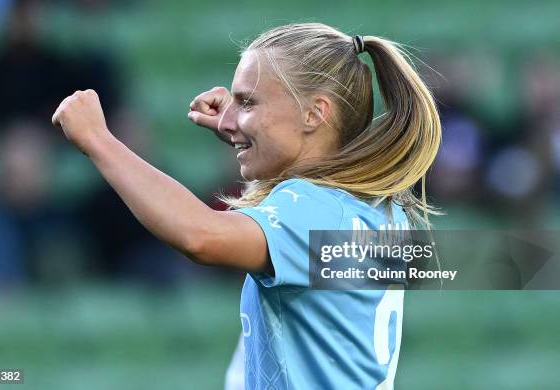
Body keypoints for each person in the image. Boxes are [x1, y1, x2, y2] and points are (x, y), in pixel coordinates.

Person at [52, 22, 441, 389]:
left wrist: (99, 141)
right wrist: (246, 130)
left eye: (248, 102)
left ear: (314, 113)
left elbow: (199, 235)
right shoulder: (373, 204)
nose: (230, 118)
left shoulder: (311, 209)